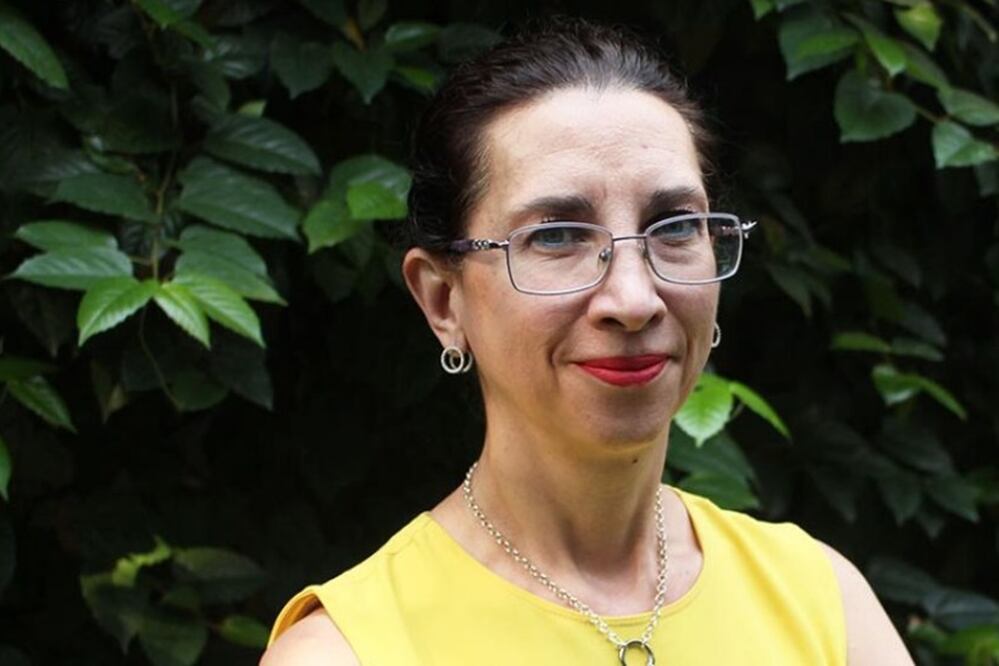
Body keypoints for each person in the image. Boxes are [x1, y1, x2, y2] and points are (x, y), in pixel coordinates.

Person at [261, 17, 914, 665]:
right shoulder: (350, 651)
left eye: (673, 227)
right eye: (555, 236)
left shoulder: (818, 598)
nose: (632, 301)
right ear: (442, 300)